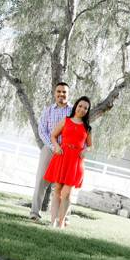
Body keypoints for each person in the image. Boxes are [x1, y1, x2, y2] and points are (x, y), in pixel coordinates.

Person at [44, 96, 93, 228]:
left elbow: (90, 145)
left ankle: (61, 222)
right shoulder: (65, 121)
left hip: (75, 161)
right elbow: (53, 135)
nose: (82, 109)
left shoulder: (87, 128)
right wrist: (57, 146)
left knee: (67, 193)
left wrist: (85, 150)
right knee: (57, 190)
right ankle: (52, 222)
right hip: (62, 156)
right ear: (76, 106)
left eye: (85, 108)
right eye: (80, 106)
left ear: (87, 111)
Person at [30, 82, 72, 221]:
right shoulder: (48, 110)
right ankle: (34, 213)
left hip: (66, 152)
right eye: (58, 91)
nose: (61, 94)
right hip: (49, 149)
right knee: (41, 180)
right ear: (55, 93)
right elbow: (42, 130)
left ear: (68, 94)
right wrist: (53, 146)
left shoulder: (73, 111)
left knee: (64, 184)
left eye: (64, 92)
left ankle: (63, 218)